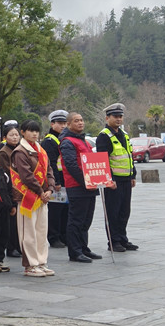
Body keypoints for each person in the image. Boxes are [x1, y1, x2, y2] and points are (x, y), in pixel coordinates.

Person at [11, 120, 56, 277]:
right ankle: (30, 264)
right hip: (27, 197)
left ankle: (41, 261)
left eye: (36, 131)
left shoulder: (41, 150)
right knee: (28, 232)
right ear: (23, 132)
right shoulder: (20, 152)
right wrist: (41, 191)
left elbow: (49, 170)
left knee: (41, 231)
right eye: (30, 131)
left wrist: (49, 189)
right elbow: (26, 176)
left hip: (42, 197)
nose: (34, 134)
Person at [59, 112, 102, 263]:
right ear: (69, 124)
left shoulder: (85, 141)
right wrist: (85, 181)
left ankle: (84, 248)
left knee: (86, 220)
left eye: (82, 120)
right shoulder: (67, 142)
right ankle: (75, 251)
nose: (80, 123)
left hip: (89, 185)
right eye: (76, 121)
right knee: (76, 220)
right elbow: (71, 165)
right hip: (77, 186)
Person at [96, 103, 138, 252]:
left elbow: (129, 156)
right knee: (113, 212)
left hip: (126, 179)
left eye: (120, 116)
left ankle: (122, 238)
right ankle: (113, 242)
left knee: (124, 212)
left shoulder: (124, 135)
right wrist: (109, 179)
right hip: (114, 181)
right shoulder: (103, 136)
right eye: (115, 116)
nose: (119, 119)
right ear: (107, 118)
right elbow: (104, 160)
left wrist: (133, 174)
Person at [42, 110, 69, 249]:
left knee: (65, 210)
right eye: (60, 123)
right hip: (56, 181)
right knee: (55, 211)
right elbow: (51, 163)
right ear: (52, 124)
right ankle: (54, 237)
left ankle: (64, 235)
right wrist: (56, 182)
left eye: (65, 123)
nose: (63, 126)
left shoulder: (64, 139)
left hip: (66, 180)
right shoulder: (49, 141)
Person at [0, 125, 23, 259]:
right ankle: (11, 247)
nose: (15, 137)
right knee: (12, 221)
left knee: (20, 220)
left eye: (16, 135)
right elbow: (7, 172)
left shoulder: (21, 150)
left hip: (22, 188)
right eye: (11, 135)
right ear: (4, 137)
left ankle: (18, 246)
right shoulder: (4, 152)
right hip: (11, 188)